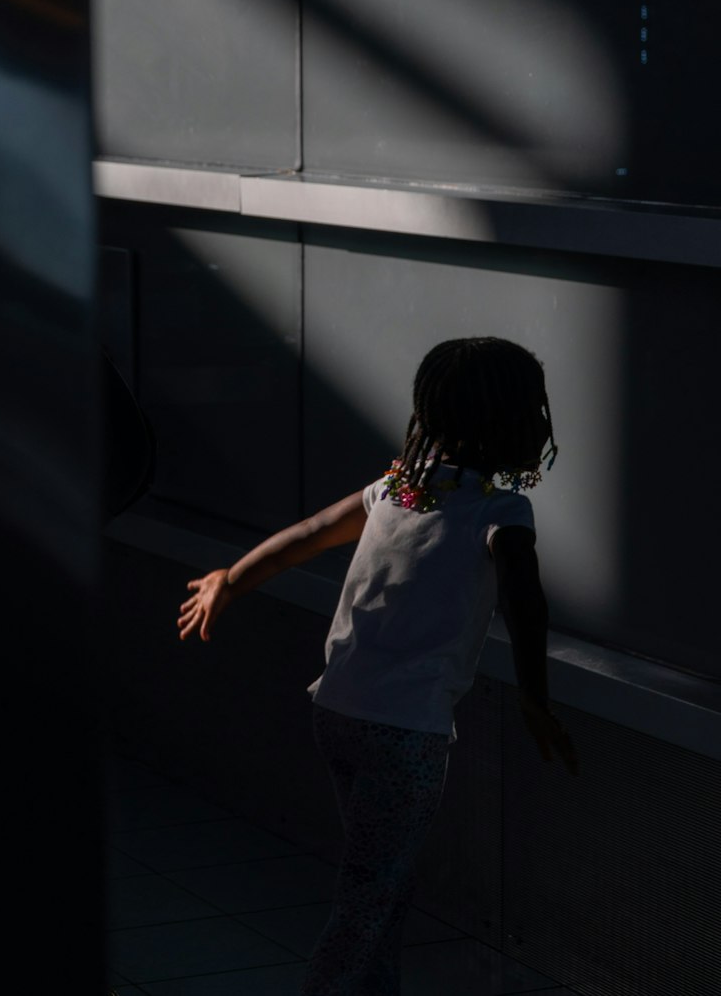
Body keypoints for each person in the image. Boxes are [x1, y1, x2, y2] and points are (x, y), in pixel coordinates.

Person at [178, 336, 580, 996]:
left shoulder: (397, 489)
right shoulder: (502, 509)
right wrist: (537, 698)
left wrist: (232, 577)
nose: (541, 421)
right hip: (407, 735)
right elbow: (525, 602)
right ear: (509, 419)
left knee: (381, 881)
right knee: (370, 895)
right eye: (535, 407)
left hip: (337, 712)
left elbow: (307, 534)